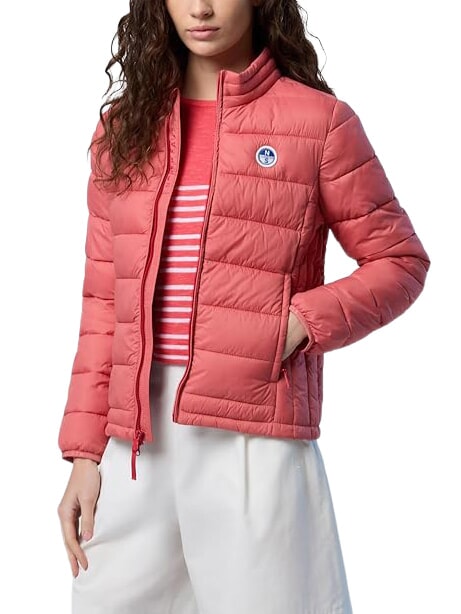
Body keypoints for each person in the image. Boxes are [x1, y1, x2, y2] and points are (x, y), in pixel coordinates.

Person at [56, 1, 430, 613]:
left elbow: (400, 261)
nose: (200, 8)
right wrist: (84, 454)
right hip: (136, 442)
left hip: (254, 434)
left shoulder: (319, 123)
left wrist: (297, 325)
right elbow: (102, 305)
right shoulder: (122, 131)